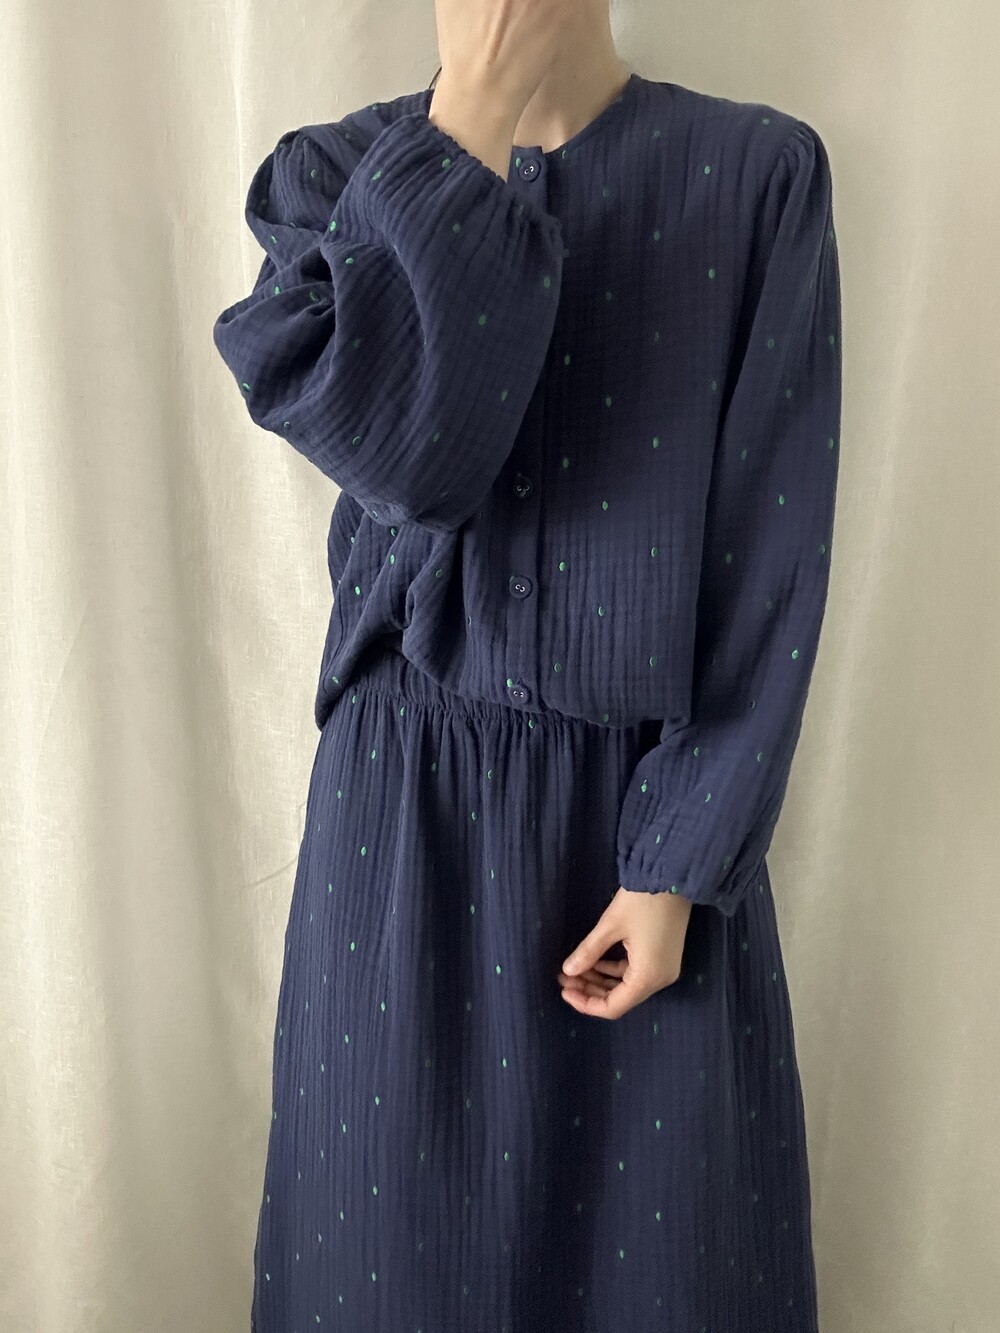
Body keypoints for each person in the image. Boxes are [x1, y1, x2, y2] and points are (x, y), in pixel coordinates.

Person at [212, 0, 841, 1327]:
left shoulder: (757, 174)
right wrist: (471, 120)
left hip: (649, 833)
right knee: (390, 1265)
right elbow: (406, 458)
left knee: (662, 1274)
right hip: (401, 840)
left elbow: (769, 556)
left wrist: (678, 863)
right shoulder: (331, 179)